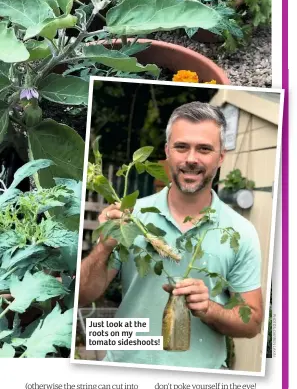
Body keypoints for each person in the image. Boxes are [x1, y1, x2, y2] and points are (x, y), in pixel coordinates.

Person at [79, 101, 263, 369]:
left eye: (204, 149)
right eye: (181, 147)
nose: (191, 158)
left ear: (221, 156)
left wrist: (209, 308)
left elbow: (253, 323)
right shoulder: (132, 217)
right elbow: (83, 295)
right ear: (167, 151)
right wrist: (105, 247)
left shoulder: (241, 231)